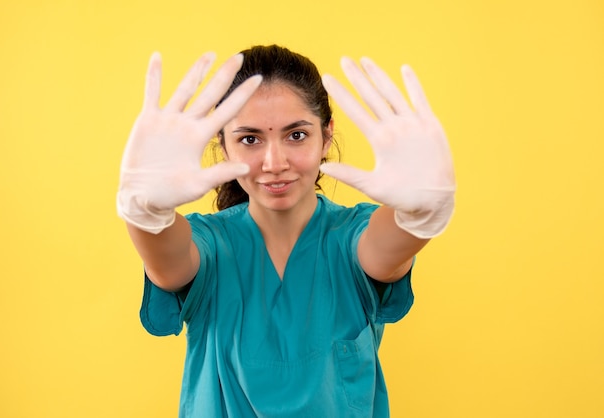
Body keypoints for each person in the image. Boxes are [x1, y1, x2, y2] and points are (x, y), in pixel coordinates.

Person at [117, 44, 455, 417]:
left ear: (326, 136)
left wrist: (418, 213)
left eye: (296, 136)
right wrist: (146, 213)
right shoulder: (211, 246)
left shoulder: (350, 238)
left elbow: (389, 246)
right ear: (224, 146)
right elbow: (167, 258)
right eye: (250, 139)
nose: (274, 163)